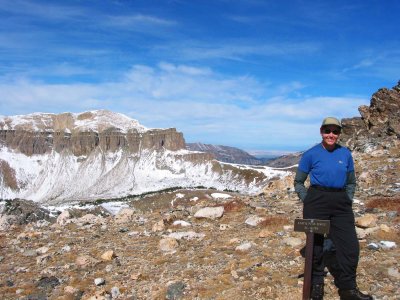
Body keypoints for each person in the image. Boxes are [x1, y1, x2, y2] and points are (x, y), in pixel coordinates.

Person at [294, 117, 372, 300]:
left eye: (335, 131)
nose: (331, 134)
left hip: (340, 202)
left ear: (339, 134)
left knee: (350, 246)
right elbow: (298, 182)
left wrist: (347, 198)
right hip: (317, 200)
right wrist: (308, 200)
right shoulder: (311, 154)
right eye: (327, 130)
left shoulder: (345, 154)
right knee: (316, 245)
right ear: (321, 131)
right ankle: (316, 285)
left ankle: (348, 289)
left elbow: (351, 181)